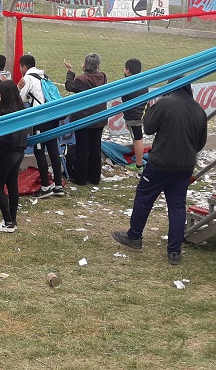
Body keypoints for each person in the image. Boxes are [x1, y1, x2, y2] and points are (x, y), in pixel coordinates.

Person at [112, 79, 208, 266]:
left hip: (161, 162)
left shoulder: (165, 103)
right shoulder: (199, 110)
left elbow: (147, 128)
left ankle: (135, 236)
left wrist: (150, 107)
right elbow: (201, 142)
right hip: (185, 164)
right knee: (177, 206)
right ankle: (174, 251)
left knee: (144, 197)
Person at [18, 54, 65, 198]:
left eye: (20, 68)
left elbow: (19, 98)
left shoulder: (28, 78)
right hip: (52, 117)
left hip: (40, 119)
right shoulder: (45, 76)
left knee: (39, 151)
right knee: (52, 149)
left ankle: (45, 186)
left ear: (24, 67)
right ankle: (58, 185)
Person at [64, 53, 109, 186]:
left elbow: (69, 86)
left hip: (83, 118)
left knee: (82, 148)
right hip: (99, 118)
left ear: (85, 65)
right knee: (95, 147)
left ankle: (81, 178)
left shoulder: (80, 80)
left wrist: (69, 72)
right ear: (98, 66)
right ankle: (94, 177)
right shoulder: (103, 77)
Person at [0, 80, 29, 233]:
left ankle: (8, 221)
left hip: (6, 152)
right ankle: (12, 219)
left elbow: (7, 137)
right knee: (12, 185)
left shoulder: (5, 113)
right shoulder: (20, 109)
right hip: (19, 152)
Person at [120, 58, 149, 170]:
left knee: (137, 139)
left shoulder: (127, 83)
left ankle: (138, 165)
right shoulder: (143, 81)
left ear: (128, 70)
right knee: (138, 138)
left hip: (133, 116)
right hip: (141, 113)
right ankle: (138, 160)